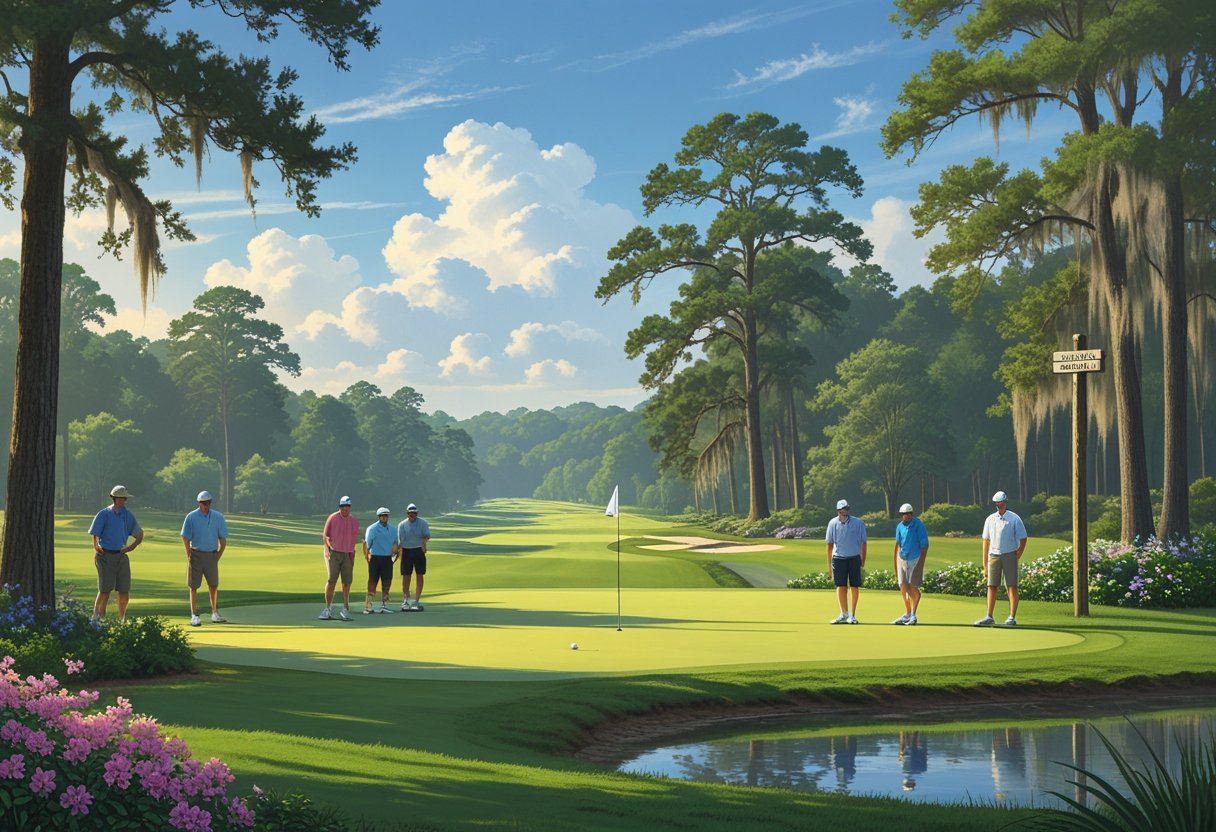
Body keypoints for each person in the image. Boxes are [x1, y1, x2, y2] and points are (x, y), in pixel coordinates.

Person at [87, 485, 144, 624]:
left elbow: (139, 534)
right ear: (114, 498)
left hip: (120, 555)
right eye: (120, 498)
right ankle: (96, 618)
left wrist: (130, 548)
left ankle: (121, 620)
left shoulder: (127, 515)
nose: (122, 501)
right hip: (105, 555)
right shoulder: (104, 514)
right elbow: (95, 533)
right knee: (105, 589)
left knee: (124, 590)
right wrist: (96, 547)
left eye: (124, 499)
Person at [976, 490, 1029, 626]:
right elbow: (986, 541)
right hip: (994, 555)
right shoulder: (990, 519)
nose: (999, 505)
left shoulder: (1014, 518)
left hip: (1010, 554)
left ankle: (1011, 617)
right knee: (992, 586)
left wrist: (1017, 555)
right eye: (997, 503)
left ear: (1006, 502)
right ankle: (989, 616)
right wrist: (985, 564)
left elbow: (1023, 539)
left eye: (1001, 503)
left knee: (1011, 586)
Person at [180, 490, 229, 627]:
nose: (205, 505)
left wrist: (219, 553)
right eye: (203, 503)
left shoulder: (218, 517)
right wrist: (188, 553)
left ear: (210, 502)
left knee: (213, 584)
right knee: (193, 586)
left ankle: (214, 613)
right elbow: (185, 537)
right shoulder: (191, 517)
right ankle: (194, 615)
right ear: (199, 503)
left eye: (207, 502)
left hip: (212, 554)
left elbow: (223, 538)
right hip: (195, 553)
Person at [825, 498, 866, 624]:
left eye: (847, 509)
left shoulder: (858, 523)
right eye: (843, 509)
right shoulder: (832, 523)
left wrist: (862, 559)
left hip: (854, 558)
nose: (845, 511)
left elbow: (863, 543)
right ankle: (843, 613)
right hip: (838, 558)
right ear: (838, 510)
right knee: (841, 586)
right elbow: (829, 545)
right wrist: (829, 565)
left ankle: (852, 615)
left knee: (854, 586)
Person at [321, 495, 360, 621]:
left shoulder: (354, 521)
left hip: (348, 554)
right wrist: (327, 550)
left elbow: (353, 540)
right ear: (339, 507)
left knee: (347, 582)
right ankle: (327, 608)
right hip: (334, 553)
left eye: (347, 506)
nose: (345, 509)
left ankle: (345, 608)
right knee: (332, 580)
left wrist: (352, 556)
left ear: (350, 507)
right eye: (343, 506)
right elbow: (325, 535)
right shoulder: (333, 518)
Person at [892, 502, 929, 625]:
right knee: (903, 585)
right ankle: (907, 613)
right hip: (902, 558)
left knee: (912, 586)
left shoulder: (918, 525)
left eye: (908, 514)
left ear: (912, 514)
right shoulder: (899, 526)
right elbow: (898, 544)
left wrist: (921, 563)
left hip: (915, 558)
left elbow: (924, 545)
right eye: (904, 514)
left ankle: (913, 614)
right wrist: (896, 561)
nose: (906, 516)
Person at [363, 507, 398, 614]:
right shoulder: (372, 529)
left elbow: (396, 544)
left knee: (387, 582)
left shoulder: (393, 529)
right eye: (382, 515)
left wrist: (394, 557)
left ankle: (384, 605)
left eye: (386, 515)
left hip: (387, 559)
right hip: (375, 558)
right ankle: (368, 605)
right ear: (379, 517)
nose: (384, 517)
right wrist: (367, 558)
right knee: (372, 581)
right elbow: (366, 545)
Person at [396, 503, 430, 611]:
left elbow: (426, 536)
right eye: (410, 513)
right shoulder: (402, 525)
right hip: (406, 551)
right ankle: (406, 600)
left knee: (420, 575)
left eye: (414, 513)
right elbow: (400, 542)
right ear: (407, 513)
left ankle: (416, 600)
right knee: (406, 576)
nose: (412, 515)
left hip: (419, 550)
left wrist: (424, 545)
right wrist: (398, 554)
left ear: (417, 513)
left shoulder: (423, 523)